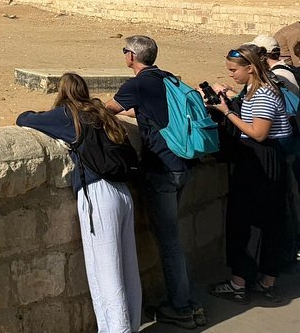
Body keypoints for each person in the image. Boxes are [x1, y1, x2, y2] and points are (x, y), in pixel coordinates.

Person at [18, 73, 141, 332]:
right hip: (123, 193)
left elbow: (25, 119)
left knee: (106, 272)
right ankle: (129, 324)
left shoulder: (68, 115)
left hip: (99, 194)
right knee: (128, 268)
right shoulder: (102, 113)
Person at [106, 35, 204, 329]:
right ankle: (188, 302)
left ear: (131, 56)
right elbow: (151, 110)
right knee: (173, 238)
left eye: (124, 51)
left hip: (162, 169)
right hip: (183, 164)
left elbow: (108, 110)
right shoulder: (167, 78)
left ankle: (182, 307)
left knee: (169, 242)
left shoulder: (137, 84)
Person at [205, 45, 292, 305]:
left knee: (247, 221)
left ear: (251, 68)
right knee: (269, 220)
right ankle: (265, 281)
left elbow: (258, 133)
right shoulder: (261, 89)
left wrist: (227, 112)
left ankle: (239, 284)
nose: (231, 74)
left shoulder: (263, 94)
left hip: (258, 161)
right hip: (266, 159)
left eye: (234, 70)